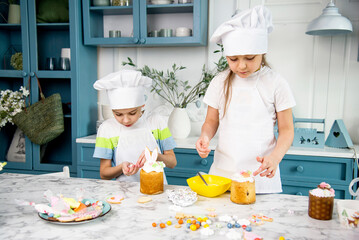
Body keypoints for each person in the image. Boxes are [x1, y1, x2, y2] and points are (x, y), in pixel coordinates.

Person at [196, 5, 296, 193]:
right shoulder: (220, 82)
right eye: (233, 59)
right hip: (223, 176)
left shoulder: (276, 83)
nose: (241, 65)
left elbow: (287, 130)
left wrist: (275, 157)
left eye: (249, 58)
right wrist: (205, 136)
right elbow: (210, 121)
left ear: (262, 52)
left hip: (261, 178)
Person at [93, 70, 177, 182]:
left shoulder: (155, 121)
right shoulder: (107, 129)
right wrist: (121, 167)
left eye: (132, 113)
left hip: (157, 190)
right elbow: (104, 173)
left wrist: (156, 156)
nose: (126, 120)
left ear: (142, 105)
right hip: (124, 194)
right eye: (118, 114)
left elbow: (172, 163)